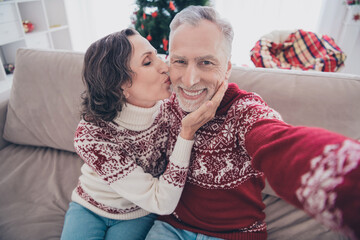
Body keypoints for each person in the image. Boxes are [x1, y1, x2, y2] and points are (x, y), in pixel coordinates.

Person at [145, 5, 360, 240]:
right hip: (170, 227)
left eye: (206, 62)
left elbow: (279, 143)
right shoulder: (162, 103)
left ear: (227, 69)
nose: (190, 79)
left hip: (235, 234)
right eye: (180, 61)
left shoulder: (244, 110)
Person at [60, 28, 226, 240]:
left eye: (157, 56)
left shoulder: (173, 108)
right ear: (120, 85)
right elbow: (162, 200)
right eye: (148, 62)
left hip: (140, 212)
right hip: (89, 207)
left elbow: (161, 203)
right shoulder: (91, 135)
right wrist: (187, 134)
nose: (164, 67)